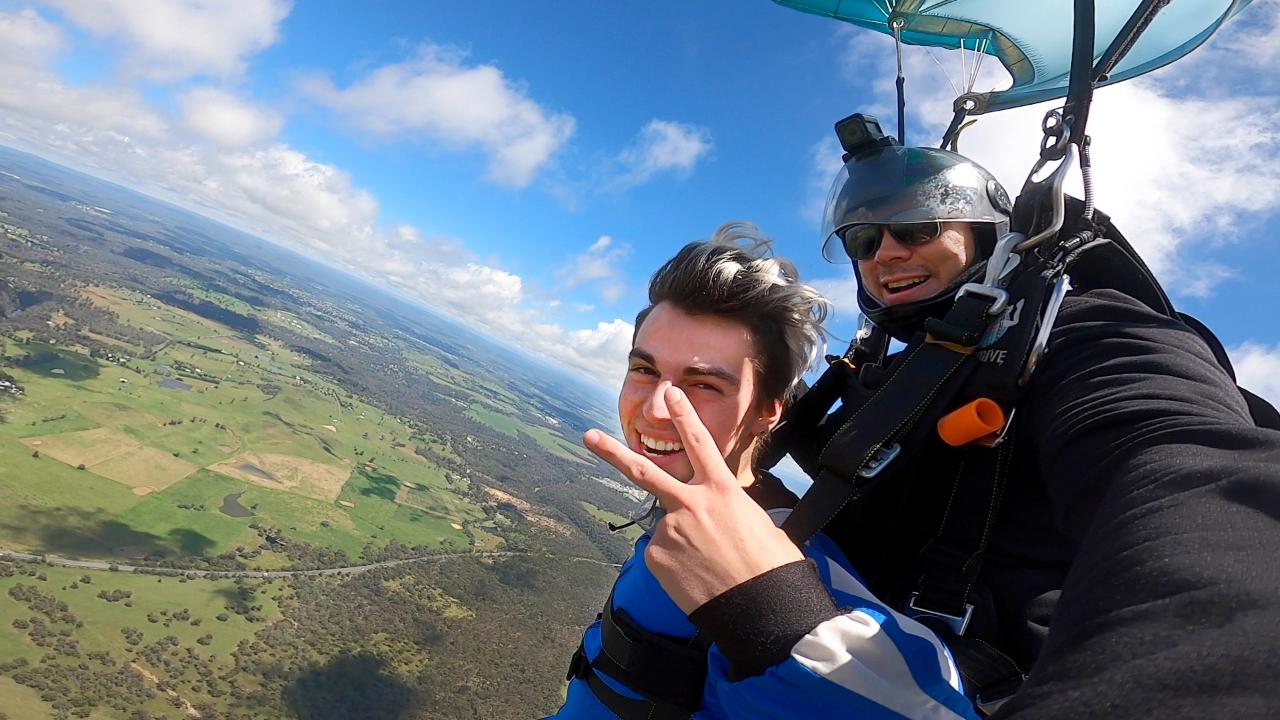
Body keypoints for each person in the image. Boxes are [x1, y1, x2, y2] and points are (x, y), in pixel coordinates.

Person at [584, 138, 1280, 718]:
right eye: (864, 237)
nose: (886, 252)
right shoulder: (898, 366)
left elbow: (1198, 483)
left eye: (917, 229)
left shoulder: (1090, 336)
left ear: (981, 233)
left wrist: (775, 612)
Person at [553, 223, 978, 719]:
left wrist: (770, 617)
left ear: (768, 411)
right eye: (645, 369)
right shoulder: (683, 513)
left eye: (705, 384)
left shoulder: (787, 568)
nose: (657, 408)